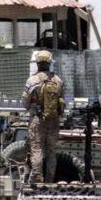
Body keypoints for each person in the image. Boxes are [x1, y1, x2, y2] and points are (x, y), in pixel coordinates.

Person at [21, 50, 65, 183]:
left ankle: (37, 178)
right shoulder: (57, 80)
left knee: (37, 149)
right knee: (51, 151)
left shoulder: (32, 80)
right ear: (50, 63)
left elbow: (25, 102)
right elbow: (62, 100)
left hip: (37, 120)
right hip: (54, 120)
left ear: (37, 63)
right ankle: (50, 180)